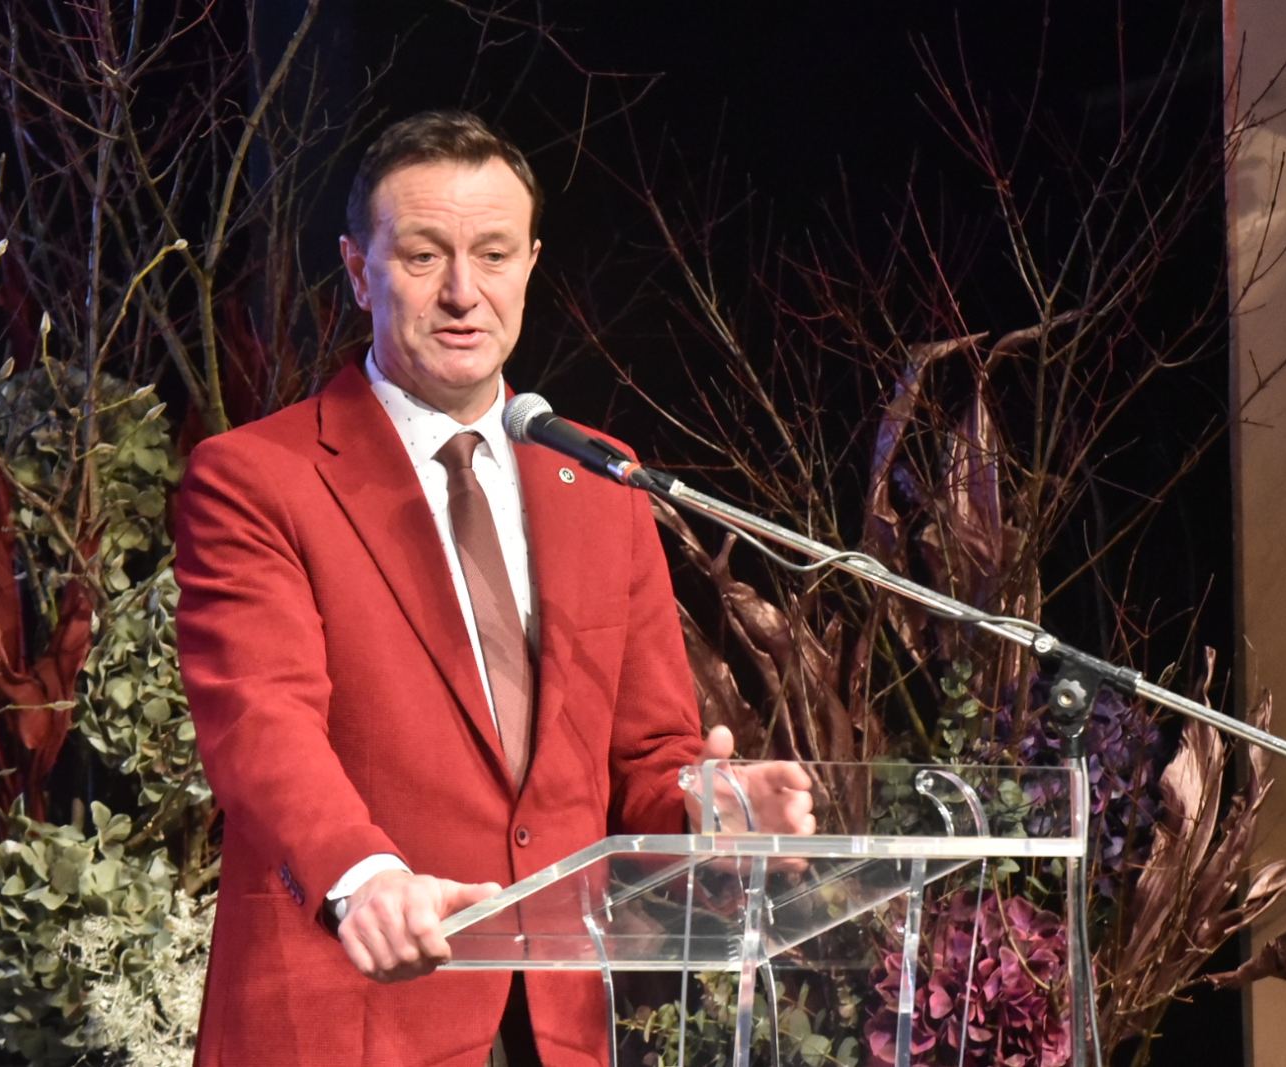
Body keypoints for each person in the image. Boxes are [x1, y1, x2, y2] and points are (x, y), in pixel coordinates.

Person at [175, 110, 814, 1066]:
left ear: (531, 265)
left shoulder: (602, 479)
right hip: (355, 1010)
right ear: (358, 270)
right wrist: (364, 877)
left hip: (555, 1024)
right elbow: (262, 724)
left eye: (493, 254)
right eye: (423, 256)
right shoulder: (257, 477)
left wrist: (707, 810)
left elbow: (645, 754)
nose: (463, 292)